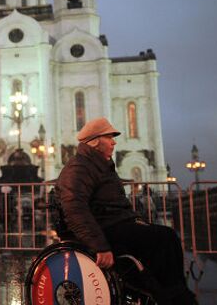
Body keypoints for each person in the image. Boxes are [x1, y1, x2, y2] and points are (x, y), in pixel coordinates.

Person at [54, 117, 197, 305]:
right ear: (95, 141)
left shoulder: (101, 165)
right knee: (162, 239)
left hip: (112, 224)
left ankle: (167, 292)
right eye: (109, 137)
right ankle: (171, 296)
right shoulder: (79, 167)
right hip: (102, 229)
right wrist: (100, 246)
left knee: (166, 237)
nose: (114, 142)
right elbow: (74, 207)